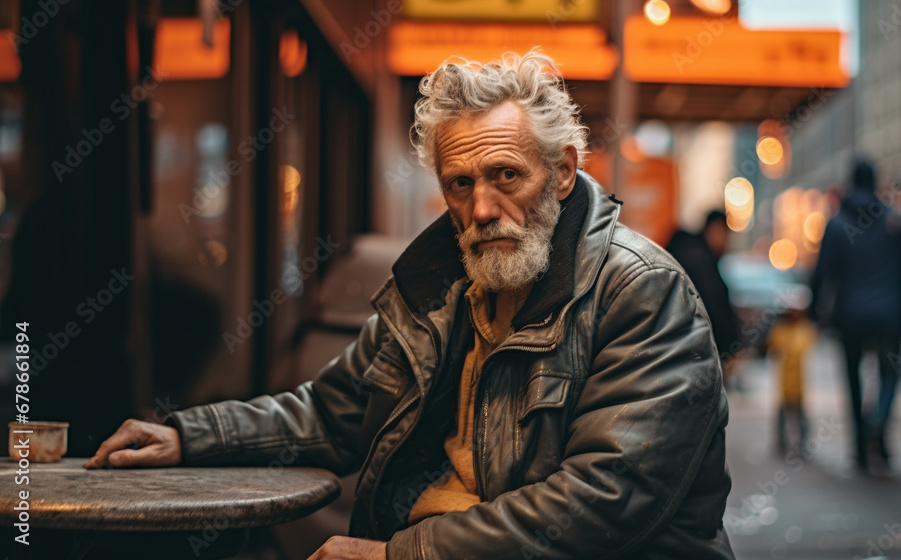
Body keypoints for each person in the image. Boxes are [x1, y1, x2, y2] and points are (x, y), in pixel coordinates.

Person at [85, 51, 734, 560]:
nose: (481, 209)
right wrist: (188, 436)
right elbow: (334, 410)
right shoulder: (442, 285)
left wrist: (400, 554)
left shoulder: (643, 291)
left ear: (563, 172)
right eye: (460, 184)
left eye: (506, 175)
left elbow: (602, 502)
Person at [811, 158, 901, 473]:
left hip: (849, 315)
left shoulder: (835, 223)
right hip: (888, 312)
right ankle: (878, 423)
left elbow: (821, 274)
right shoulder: (894, 221)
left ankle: (861, 448)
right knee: (889, 374)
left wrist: (813, 311)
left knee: (853, 380)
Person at [666, 210, 741, 370]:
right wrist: (729, 347)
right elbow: (713, 307)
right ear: (715, 230)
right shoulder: (699, 260)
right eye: (726, 235)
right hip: (694, 357)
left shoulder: (690, 252)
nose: (726, 243)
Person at [766, 290, 815, 455]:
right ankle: (781, 444)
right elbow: (773, 348)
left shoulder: (804, 329)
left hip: (799, 381)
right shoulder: (780, 330)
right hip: (784, 381)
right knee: (783, 414)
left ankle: (801, 445)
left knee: (800, 415)